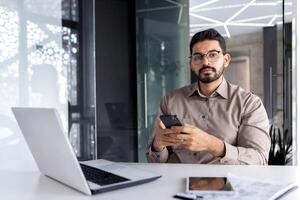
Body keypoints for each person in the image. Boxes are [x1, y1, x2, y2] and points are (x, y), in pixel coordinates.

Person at [146, 29, 270, 165]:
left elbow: (259, 160)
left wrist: (211, 144)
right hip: (178, 182)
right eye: (198, 57)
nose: (205, 62)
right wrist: (158, 145)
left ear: (226, 60)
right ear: (191, 64)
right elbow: (155, 161)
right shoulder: (170, 101)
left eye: (213, 55)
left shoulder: (249, 104)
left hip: (226, 184)